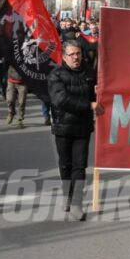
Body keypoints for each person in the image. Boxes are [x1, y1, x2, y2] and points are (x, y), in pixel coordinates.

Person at [48, 40, 98, 220]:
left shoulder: (90, 73)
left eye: (78, 53)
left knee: (80, 166)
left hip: (83, 127)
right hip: (63, 126)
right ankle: (67, 195)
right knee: (65, 164)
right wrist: (89, 104)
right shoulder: (56, 75)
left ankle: (77, 203)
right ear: (64, 57)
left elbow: (96, 95)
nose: (76, 57)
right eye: (72, 54)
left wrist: (98, 93)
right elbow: (61, 100)